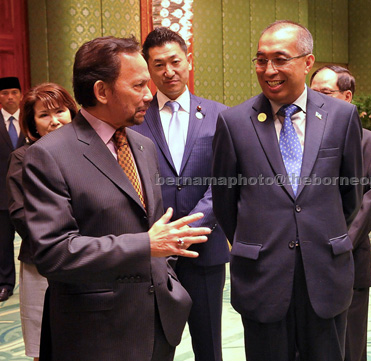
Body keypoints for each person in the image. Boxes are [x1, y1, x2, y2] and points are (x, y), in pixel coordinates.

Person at [22, 36, 211, 361]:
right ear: (101, 91)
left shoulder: (142, 146)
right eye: (138, 85)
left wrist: (167, 258)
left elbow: (146, 224)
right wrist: (145, 244)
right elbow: (53, 253)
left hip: (157, 324)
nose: (149, 95)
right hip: (96, 333)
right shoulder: (48, 155)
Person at [212, 20, 363, 361]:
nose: (269, 70)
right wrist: (257, 240)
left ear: (307, 62)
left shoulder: (342, 117)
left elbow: (350, 195)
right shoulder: (234, 122)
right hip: (262, 274)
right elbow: (225, 203)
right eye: (261, 60)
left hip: (324, 271)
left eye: (280, 59)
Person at [131, 27, 229, 361]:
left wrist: (190, 228)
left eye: (175, 61)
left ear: (189, 61)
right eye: (158, 64)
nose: (168, 71)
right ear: (148, 68)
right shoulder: (134, 119)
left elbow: (225, 180)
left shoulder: (220, 116)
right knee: (155, 344)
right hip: (151, 250)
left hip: (204, 247)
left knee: (209, 344)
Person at [310, 65, 371, 361]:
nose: (316, 100)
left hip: (349, 261)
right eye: (311, 93)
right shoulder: (299, 138)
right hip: (303, 262)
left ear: (347, 96)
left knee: (351, 347)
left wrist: (336, 247)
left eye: (325, 93)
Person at [7, 83, 78, 360]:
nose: (54, 121)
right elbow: (20, 213)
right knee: (42, 345)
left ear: (72, 113)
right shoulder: (21, 159)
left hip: (90, 259)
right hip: (42, 262)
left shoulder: (88, 153)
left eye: (60, 111)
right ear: (32, 123)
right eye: (44, 115)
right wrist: (64, 243)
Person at [0, 76, 26, 302]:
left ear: (20, 95)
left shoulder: (30, 120)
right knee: (3, 243)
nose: (9, 97)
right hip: (1, 195)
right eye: (4, 92)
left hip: (28, 193)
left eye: (14, 92)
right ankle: (5, 283)